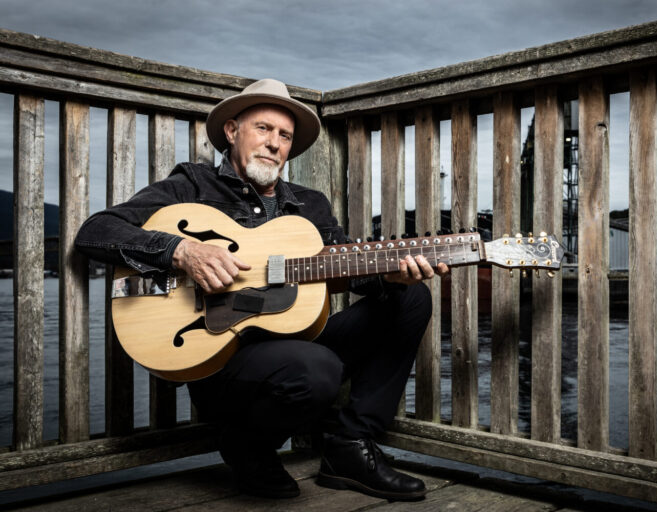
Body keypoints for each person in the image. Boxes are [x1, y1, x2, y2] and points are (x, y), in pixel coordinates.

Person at [75, 78, 448, 501]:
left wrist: (390, 275)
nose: (274, 143)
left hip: (297, 345)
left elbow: (350, 269)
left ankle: (349, 446)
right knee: (317, 367)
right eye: (263, 129)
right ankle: (246, 446)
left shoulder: (310, 205)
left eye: (284, 135)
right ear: (232, 131)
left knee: (410, 298)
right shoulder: (193, 186)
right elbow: (96, 231)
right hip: (221, 355)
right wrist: (182, 251)